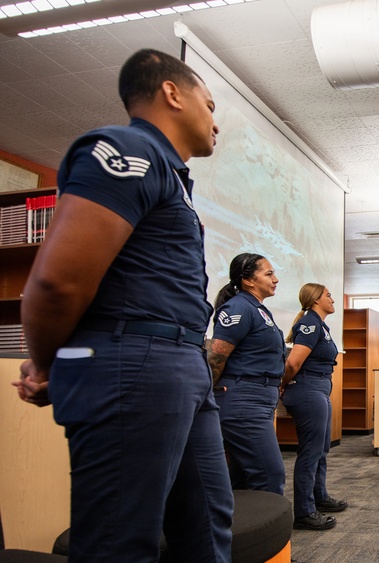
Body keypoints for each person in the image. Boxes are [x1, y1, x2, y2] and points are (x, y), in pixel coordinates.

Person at [14, 49, 233, 561]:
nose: (215, 120)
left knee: (206, 529)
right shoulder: (125, 147)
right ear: (172, 93)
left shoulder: (172, 177)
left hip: (181, 364)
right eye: (210, 102)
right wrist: (47, 364)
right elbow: (56, 284)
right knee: (120, 544)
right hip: (136, 361)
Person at [209, 253, 285, 495]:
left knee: (243, 475)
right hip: (244, 401)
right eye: (269, 273)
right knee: (269, 474)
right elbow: (216, 357)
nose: (276, 279)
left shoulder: (257, 308)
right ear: (248, 280)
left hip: (257, 399)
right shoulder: (240, 306)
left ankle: (235, 532)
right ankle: (271, 534)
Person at [279, 283, 345, 531]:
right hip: (307, 389)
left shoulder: (320, 324)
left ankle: (320, 497)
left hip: (318, 388)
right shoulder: (309, 323)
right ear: (316, 299)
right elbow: (293, 363)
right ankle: (305, 512)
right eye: (328, 295)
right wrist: (282, 385)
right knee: (310, 452)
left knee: (321, 449)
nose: (332, 299)